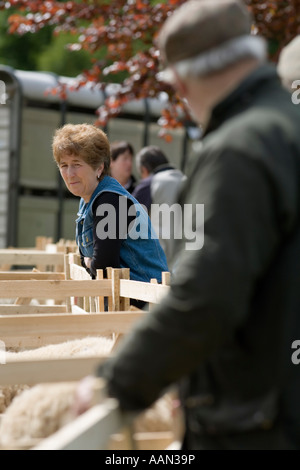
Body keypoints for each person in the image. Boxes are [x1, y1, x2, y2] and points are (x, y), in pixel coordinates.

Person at [73, 0, 300, 450]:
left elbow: (207, 293)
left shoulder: (239, 149)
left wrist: (118, 381)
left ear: (182, 77)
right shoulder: (286, 129)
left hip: (255, 419)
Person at [52, 123, 168, 287]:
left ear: (99, 167)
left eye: (77, 164)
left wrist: (87, 262)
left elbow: (104, 269)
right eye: (64, 165)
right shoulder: (87, 199)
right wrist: (89, 261)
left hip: (141, 302)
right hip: (121, 300)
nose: (70, 174)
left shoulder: (110, 200)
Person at [132, 145, 187, 267]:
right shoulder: (187, 180)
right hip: (186, 260)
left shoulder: (150, 183)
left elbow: (127, 220)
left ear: (144, 169)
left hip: (158, 261)